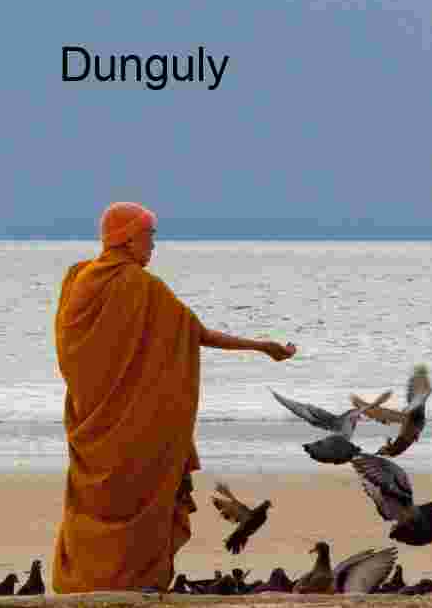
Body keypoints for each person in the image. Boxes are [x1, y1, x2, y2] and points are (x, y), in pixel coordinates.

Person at [52, 202, 297, 593]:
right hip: (131, 426)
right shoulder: (139, 285)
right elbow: (198, 334)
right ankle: (132, 582)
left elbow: (75, 356)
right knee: (138, 503)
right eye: (149, 235)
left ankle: (80, 582)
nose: (153, 244)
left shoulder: (77, 278)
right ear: (127, 238)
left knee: (95, 502)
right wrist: (260, 346)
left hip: (93, 419)